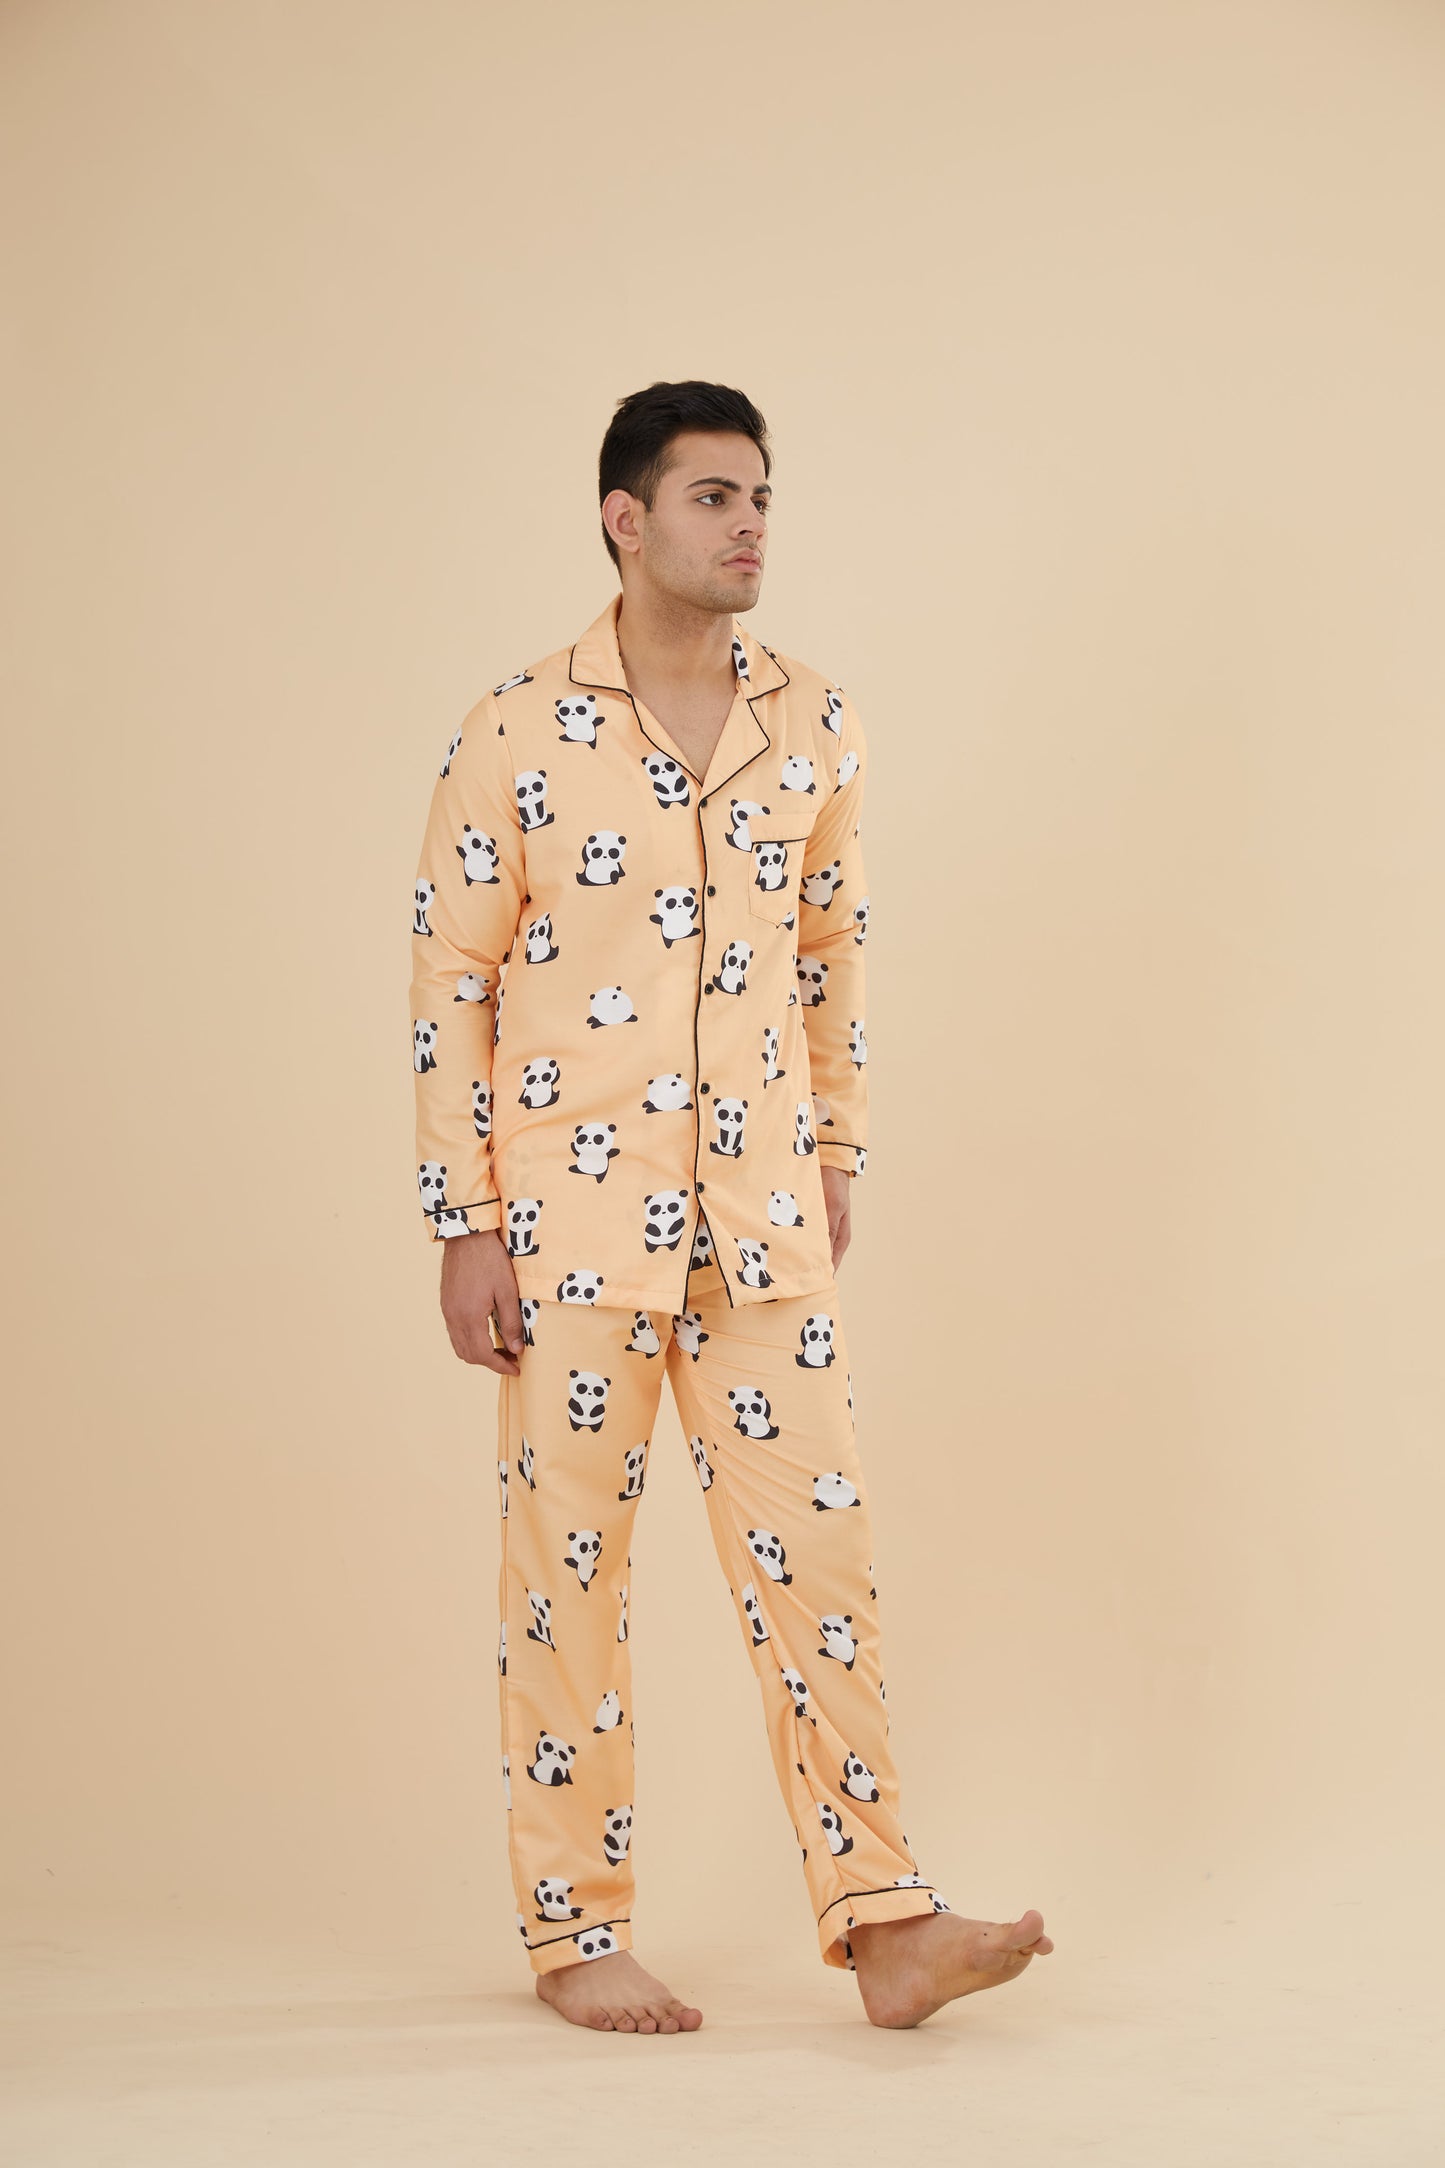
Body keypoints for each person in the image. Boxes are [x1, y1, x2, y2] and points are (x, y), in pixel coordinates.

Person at [407, 379, 1053, 2032]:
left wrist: (833, 1151)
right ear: (625, 520)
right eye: (713, 496)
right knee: (566, 1588)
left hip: (758, 1216)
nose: (749, 523)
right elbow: (452, 984)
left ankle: (886, 1923)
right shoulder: (514, 729)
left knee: (820, 1568)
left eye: (760, 495)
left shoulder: (813, 719)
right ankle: (575, 1933)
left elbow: (833, 947)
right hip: (565, 1233)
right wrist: (462, 1222)